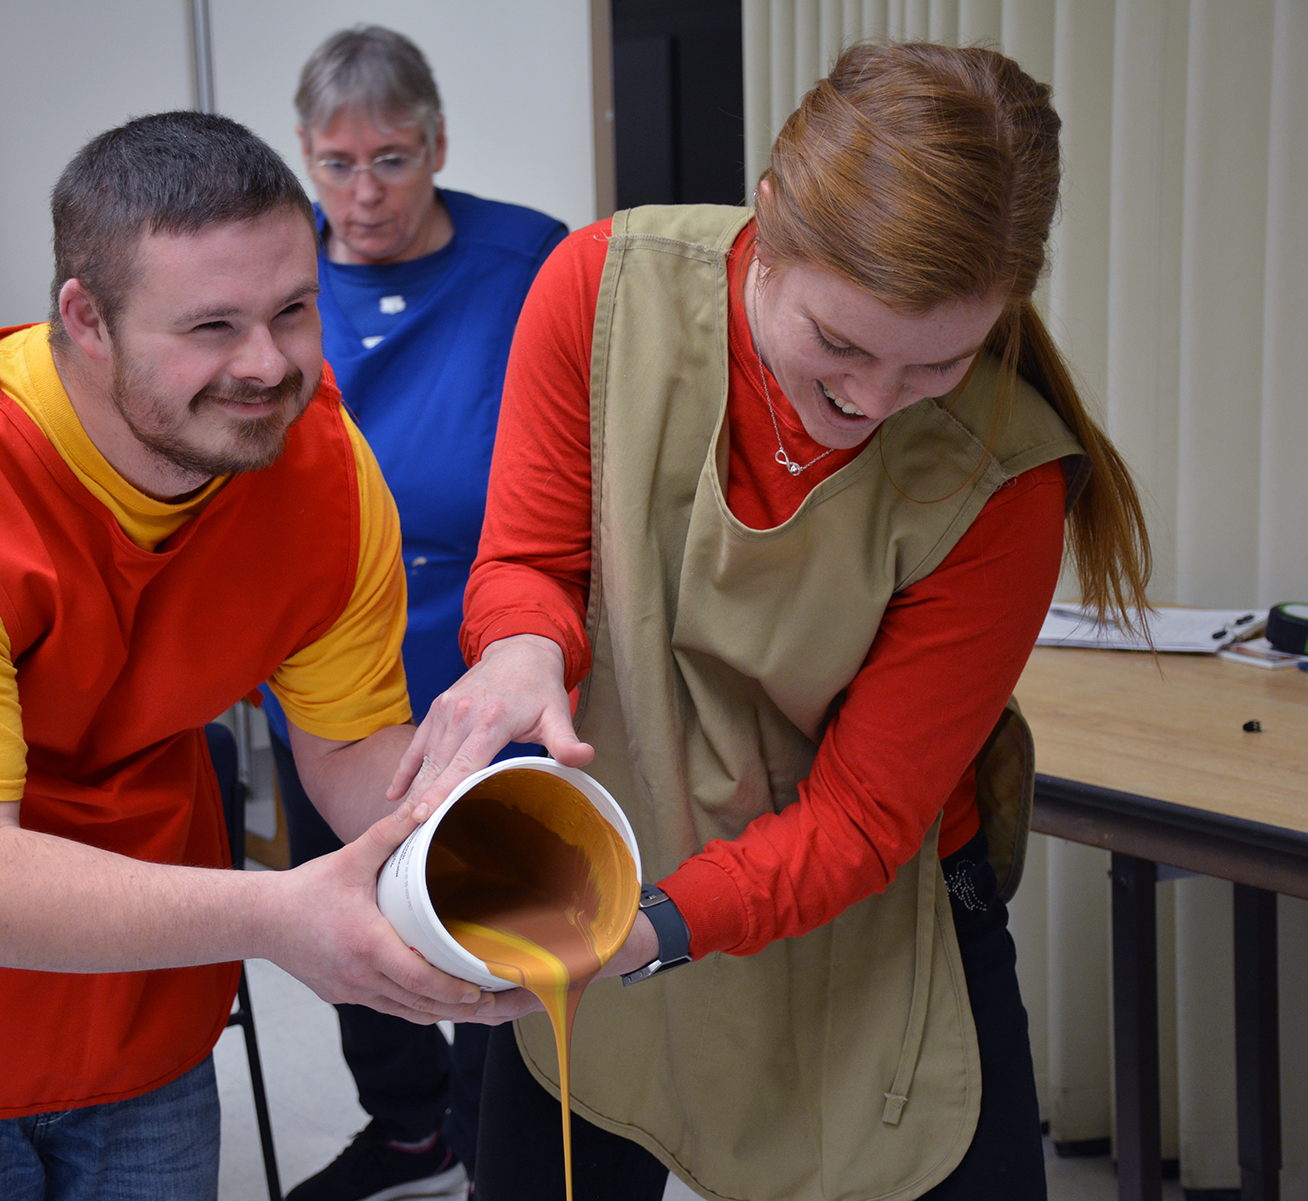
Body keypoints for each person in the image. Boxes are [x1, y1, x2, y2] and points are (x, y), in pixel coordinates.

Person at [0, 111, 536, 1201]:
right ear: (85, 319)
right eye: (213, 326)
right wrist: (281, 915)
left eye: (293, 309)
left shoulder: (316, 466)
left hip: (139, 971)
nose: (269, 364)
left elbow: (348, 744)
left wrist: (486, 839)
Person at [395, 42, 1153, 1201]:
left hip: (876, 910)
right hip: (621, 845)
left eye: (935, 364)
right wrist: (520, 647)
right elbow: (531, 559)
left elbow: (861, 820)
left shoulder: (1003, 475)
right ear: (768, 220)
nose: (867, 405)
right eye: (838, 345)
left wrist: (646, 933)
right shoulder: (602, 294)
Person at [256, 26, 567, 1201]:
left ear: (437, 144)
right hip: (322, 646)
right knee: (346, 888)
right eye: (336, 164)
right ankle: (406, 1127)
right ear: (304, 156)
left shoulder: (526, 260)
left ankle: (498, 1149)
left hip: (487, 641)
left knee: (484, 902)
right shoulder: (284, 279)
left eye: (391, 159)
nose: (363, 194)